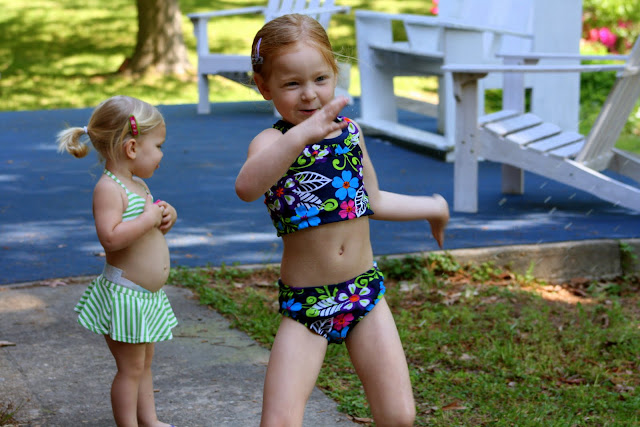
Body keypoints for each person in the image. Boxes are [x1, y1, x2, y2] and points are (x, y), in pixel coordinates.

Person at [235, 14, 450, 427]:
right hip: (308, 304)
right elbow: (247, 187)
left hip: (363, 292)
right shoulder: (273, 143)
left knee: (399, 416)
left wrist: (432, 206)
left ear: (335, 74)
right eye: (292, 84)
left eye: (320, 79)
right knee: (279, 421)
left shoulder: (350, 135)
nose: (309, 94)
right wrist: (303, 135)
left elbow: (373, 200)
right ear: (264, 87)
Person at [57, 95, 178, 427]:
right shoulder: (109, 189)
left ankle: (149, 420)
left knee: (144, 364)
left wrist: (166, 217)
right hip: (125, 296)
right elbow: (110, 237)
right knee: (130, 369)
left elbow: (145, 233)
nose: (162, 154)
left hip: (145, 298)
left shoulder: (138, 184)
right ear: (132, 148)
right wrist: (148, 219)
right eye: (158, 146)